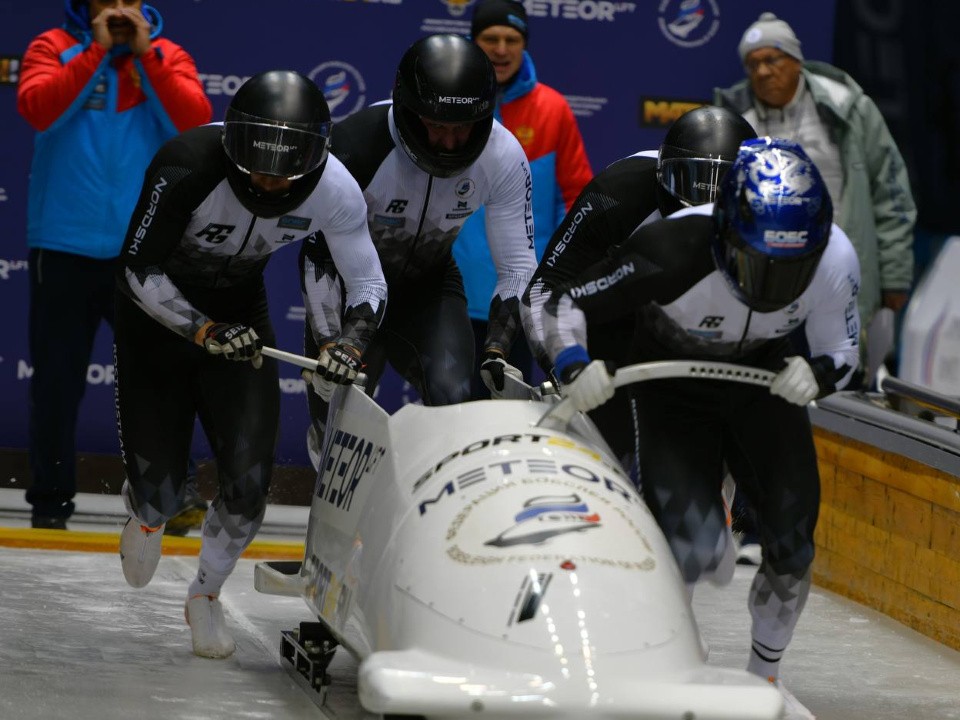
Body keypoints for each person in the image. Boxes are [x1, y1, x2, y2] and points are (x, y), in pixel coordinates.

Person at [541, 138, 861, 701]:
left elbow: (842, 349)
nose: (771, 284)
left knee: (792, 542)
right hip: (672, 385)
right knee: (695, 547)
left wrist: (819, 375)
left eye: (791, 269)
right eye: (757, 263)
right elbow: (563, 301)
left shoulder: (835, 257)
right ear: (725, 234)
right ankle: (667, 659)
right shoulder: (671, 247)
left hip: (764, 383)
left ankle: (766, 676)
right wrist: (574, 364)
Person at [114, 70, 387, 659]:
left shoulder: (337, 189)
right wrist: (202, 329)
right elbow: (137, 268)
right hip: (156, 320)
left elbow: (366, 277)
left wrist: (352, 339)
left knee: (248, 482)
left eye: (285, 171)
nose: (269, 181)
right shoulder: (184, 163)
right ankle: (146, 506)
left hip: (241, 316)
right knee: (162, 495)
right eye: (256, 166)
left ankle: (205, 595)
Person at [16, 0, 212, 530]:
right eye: (108, 0)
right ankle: (50, 506)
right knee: (56, 384)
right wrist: (97, 50)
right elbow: (36, 108)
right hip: (63, 245)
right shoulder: (52, 47)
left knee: (161, 377)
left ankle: (169, 498)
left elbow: (195, 124)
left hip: (143, 248)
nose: (119, 7)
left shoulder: (167, 53)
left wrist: (145, 56)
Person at [301, 33, 540, 452]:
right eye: (435, 126)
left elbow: (519, 265)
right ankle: (326, 449)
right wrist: (329, 343)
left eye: (462, 129)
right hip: (349, 294)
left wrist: (499, 348)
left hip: (428, 288)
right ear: (410, 112)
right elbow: (317, 254)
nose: (449, 143)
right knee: (337, 418)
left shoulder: (503, 155)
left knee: (454, 401)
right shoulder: (355, 148)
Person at [522, 105, 757, 469]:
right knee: (608, 452)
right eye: (691, 183)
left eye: (721, 191)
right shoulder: (617, 193)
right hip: (613, 329)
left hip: (698, 338)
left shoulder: (767, 215)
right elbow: (543, 290)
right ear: (663, 174)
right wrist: (568, 367)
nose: (702, 211)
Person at [714, 12, 915, 377]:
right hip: (763, 276)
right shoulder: (735, 120)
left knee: (841, 378)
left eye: (772, 59)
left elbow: (891, 193)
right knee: (771, 381)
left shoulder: (849, 110)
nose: (762, 72)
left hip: (841, 269)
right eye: (752, 64)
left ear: (796, 61)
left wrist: (895, 275)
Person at [453, 0, 593, 397]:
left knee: (507, 412)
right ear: (472, 40)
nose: (500, 49)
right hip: (453, 292)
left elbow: (577, 200)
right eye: (491, 38)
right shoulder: (448, 103)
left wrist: (559, 276)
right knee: (450, 407)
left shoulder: (553, 109)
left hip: (521, 298)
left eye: (511, 39)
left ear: (524, 44)